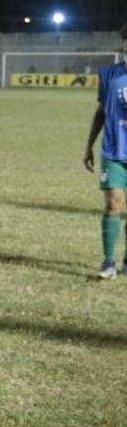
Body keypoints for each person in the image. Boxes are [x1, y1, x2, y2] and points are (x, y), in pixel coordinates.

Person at [82, 24, 127, 278]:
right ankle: (109, 262)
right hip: (114, 150)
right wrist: (88, 146)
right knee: (113, 204)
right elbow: (101, 111)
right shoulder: (109, 74)